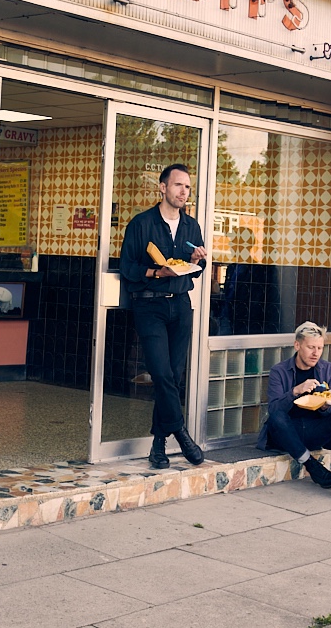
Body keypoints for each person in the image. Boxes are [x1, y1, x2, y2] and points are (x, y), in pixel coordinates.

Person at [121, 163, 208, 470]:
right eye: (178, 185)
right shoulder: (142, 224)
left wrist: (199, 260)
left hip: (181, 306)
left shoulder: (191, 227)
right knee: (161, 374)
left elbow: (197, 269)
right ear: (162, 188)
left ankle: (158, 445)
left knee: (173, 375)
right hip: (149, 306)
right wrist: (157, 271)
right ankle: (182, 435)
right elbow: (127, 267)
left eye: (187, 187)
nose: (183, 192)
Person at [257, 321, 331, 502]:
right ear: (297, 345)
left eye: (320, 348)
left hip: (315, 429)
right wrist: (295, 391)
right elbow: (274, 410)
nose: (316, 353)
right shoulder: (279, 371)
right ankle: (312, 467)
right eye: (311, 347)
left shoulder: (326, 369)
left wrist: (325, 406)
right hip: (288, 433)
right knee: (277, 417)